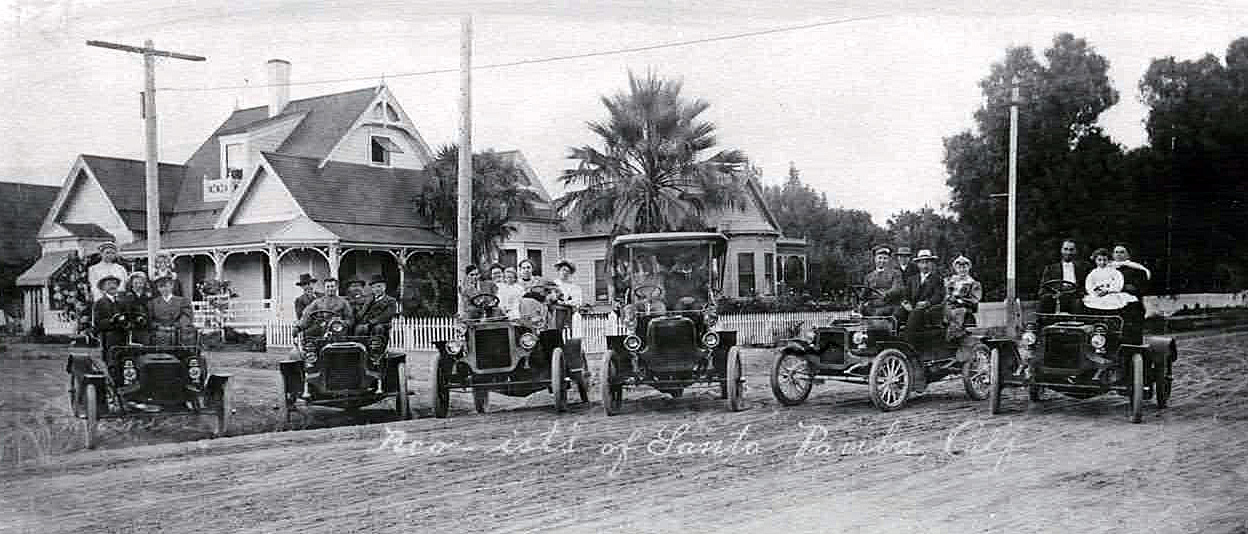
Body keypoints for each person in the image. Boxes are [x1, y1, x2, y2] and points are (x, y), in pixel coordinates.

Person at [898, 249, 945, 343]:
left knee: (916, 313)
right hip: (912, 308)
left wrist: (927, 303)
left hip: (930, 310)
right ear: (918, 264)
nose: (925, 266)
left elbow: (938, 296)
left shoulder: (937, 279)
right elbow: (905, 295)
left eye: (927, 262)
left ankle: (907, 343)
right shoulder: (912, 279)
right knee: (898, 313)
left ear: (932, 264)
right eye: (922, 263)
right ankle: (890, 339)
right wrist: (905, 303)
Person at [1038, 238, 1088, 314]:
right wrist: (1051, 295)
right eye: (1065, 249)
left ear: (1075, 251)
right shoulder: (1051, 268)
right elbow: (1044, 286)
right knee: (1046, 300)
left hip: (1074, 295)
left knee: (1078, 303)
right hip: (1057, 295)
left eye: (1071, 250)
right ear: (1061, 250)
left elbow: (1086, 285)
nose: (1068, 252)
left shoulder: (1083, 268)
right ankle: (1044, 323)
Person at [943, 255, 982, 342]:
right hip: (949, 305)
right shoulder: (951, 281)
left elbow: (975, 299)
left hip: (964, 307)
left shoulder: (973, 283)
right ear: (956, 269)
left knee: (957, 312)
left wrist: (959, 300)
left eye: (964, 267)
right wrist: (948, 296)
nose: (962, 270)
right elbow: (946, 293)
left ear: (968, 268)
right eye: (959, 268)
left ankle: (954, 334)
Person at [147, 275, 195, 345]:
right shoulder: (152, 303)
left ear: (172, 286)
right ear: (158, 289)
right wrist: (158, 326)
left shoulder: (183, 301)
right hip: (158, 333)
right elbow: (150, 319)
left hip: (178, 333)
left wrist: (176, 325)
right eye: (161, 287)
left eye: (166, 286)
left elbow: (187, 316)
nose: (164, 289)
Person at [862, 245, 903, 316]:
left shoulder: (896, 273)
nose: (882, 261)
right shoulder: (868, 276)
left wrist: (885, 294)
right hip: (872, 306)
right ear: (875, 259)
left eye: (885, 258)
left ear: (889, 260)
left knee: (880, 313)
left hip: (889, 305)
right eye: (880, 258)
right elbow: (864, 293)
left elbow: (897, 288)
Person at [93, 275, 129, 353]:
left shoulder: (122, 302)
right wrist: (112, 320)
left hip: (123, 336)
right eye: (109, 284)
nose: (112, 286)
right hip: (108, 337)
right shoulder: (99, 303)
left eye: (114, 283)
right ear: (103, 288)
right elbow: (97, 323)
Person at [122, 272, 153, 344]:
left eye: (141, 283)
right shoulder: (126, 297)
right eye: (136, 283)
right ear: (131, 284)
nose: (138, 285)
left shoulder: (148, 297)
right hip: (131, 329)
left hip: (145, 328)